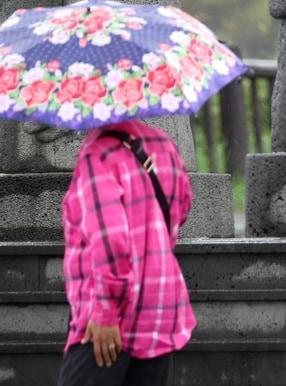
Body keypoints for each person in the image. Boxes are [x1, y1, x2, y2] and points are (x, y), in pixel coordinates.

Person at [58, 118, 194, 385]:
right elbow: (182, 205)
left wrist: (107, 313)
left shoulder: (98, 156)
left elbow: (111, 242)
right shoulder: (162, 144)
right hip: (160, 306)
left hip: (110, 319)